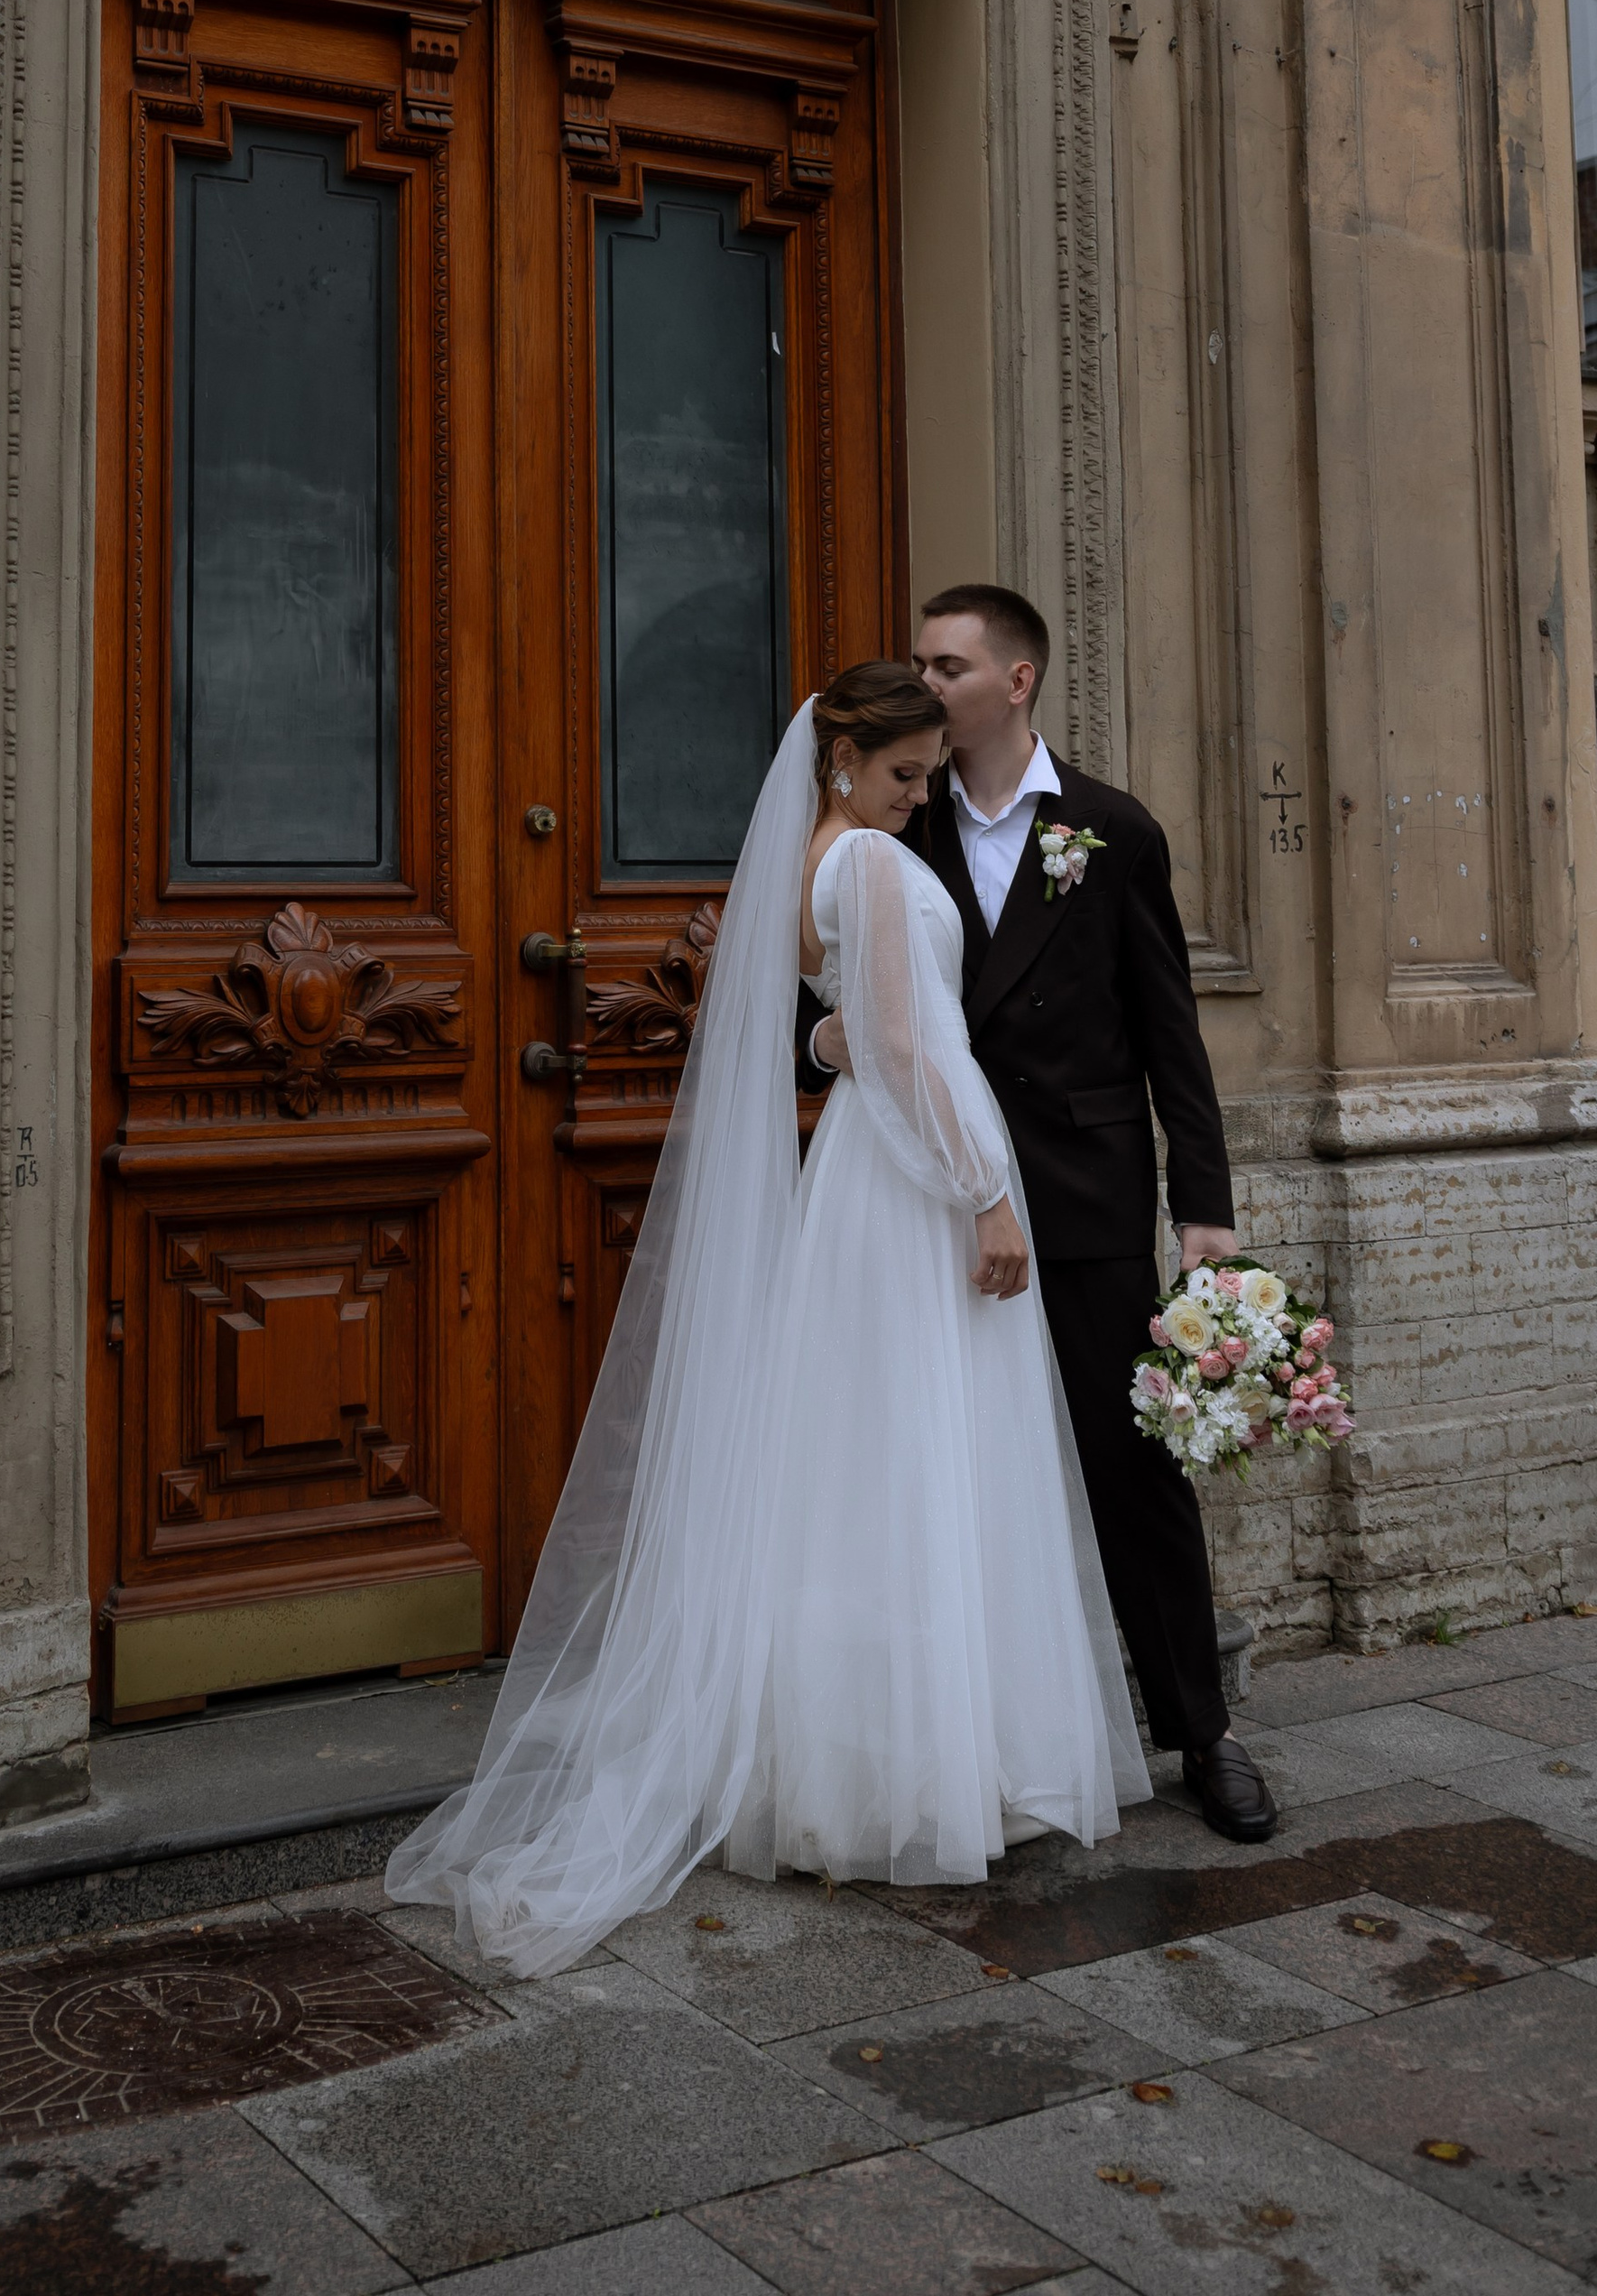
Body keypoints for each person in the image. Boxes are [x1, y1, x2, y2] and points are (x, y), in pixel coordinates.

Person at [386, 664, 1151, 1977]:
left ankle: (872, 1762)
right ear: (843, 757)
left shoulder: (814, 863)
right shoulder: (867, 862)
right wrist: (985, 1193)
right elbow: (902, 1048)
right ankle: (923, 1768)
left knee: (871, 1466)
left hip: (870, 1166)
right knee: (920, 1455)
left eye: (927, 779)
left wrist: (845, 1050)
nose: (918, 800)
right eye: (902, 774)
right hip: (919, 1179)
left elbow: (847, 1036)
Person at [808, 584, 1276, 1845]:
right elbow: (852, 1002)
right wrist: (827, 1043)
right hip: (935, 1198)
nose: (926, 682)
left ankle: (1204, 1734)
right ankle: (967, 1743)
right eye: (917, 663)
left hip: (1080, 1196)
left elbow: (1171, 1030)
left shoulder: (1111, 828)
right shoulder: (896, 818)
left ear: (1017, 681)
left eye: (948, 664)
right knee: (953, 1468)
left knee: (1134, 1468)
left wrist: (1205, 1205)